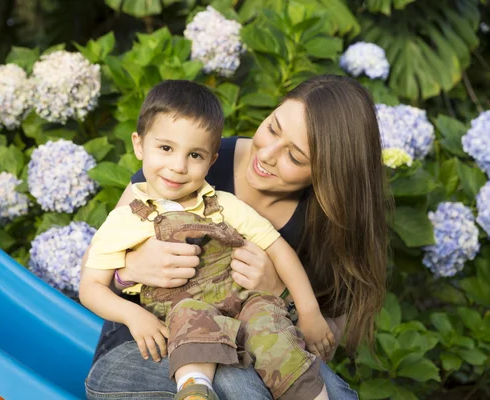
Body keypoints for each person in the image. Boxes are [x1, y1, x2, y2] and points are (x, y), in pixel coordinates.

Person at [82, 74, 389, 400]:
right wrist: (130, 270)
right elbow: (92, 272)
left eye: (295, 156)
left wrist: (278, 291)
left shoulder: (329, 222)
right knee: (237, 385)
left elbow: (320, 343)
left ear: (329, 173)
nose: (268, 153)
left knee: (330, 391)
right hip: (148, 342)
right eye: (272, 127)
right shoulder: (189, 159)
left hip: (258, 338)